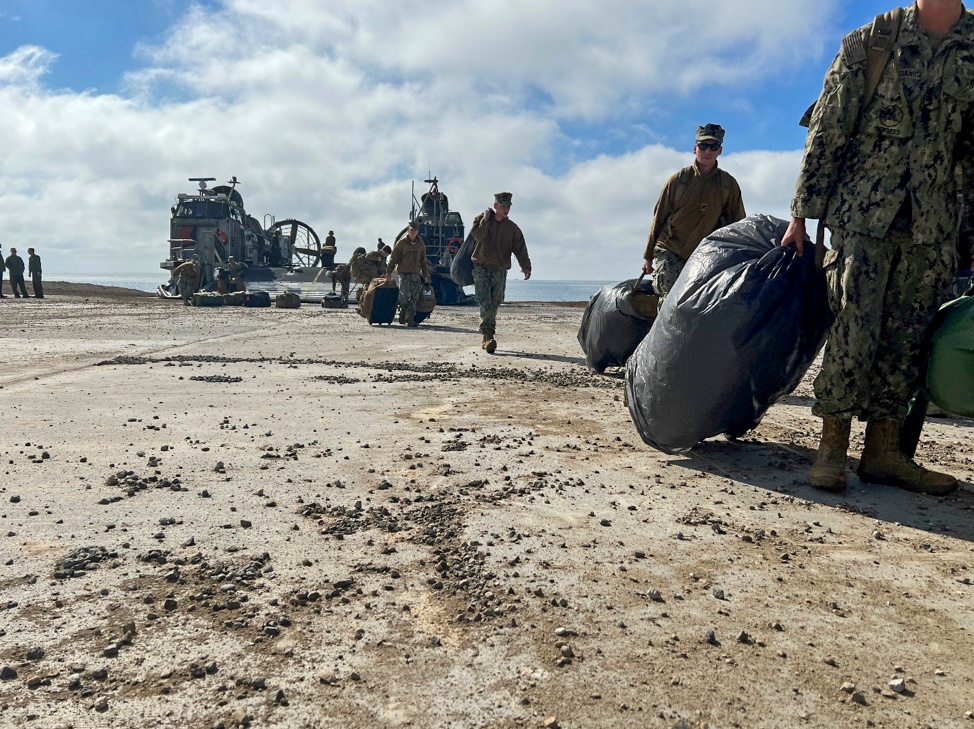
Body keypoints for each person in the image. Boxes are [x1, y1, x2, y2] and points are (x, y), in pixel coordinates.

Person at [779, 0, 973, 496]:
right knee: (852, 329)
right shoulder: (871, 41)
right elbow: (828, 130)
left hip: (934, 223)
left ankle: (885, 452)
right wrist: (802, 212)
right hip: (862, 215)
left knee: (908, 338)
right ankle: (832, 447)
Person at [641, 124, 746, 309]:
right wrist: (648, 257)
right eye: (703, 146)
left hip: (704, 254)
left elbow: (738, 224)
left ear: (720, 150)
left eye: (713, 147)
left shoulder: (728, 184)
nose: (708, 151)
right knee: (671, 302)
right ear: (694, 148)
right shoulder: (678, 181)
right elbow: (658, 217)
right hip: (670, 248)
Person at [470, 191, 531, 353]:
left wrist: (526, 266)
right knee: (485, 301)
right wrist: (485, 220)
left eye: (508, 206)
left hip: (499, 270)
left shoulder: (512, 229)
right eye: (503, 206)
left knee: (495, 302)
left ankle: (486, 337)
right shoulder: (481, 220)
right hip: (481, 268)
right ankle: (488, 335)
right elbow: (478, 236)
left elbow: (520, 248)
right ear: (496, 206)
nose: (506, 209)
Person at [385, 221, 430, 327]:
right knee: (404, 295)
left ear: (418, 232)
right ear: (408, 230)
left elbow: (423, 261)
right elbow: (393, 259)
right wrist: (388, 272)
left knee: (414, 296)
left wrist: (425, 275)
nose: (413, 232)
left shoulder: (420, 244)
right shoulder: (401, 243)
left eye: (415, 230)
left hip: (415, 273)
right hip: (403, 273)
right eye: (411, 230)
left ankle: (411, 319)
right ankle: (403, 311)